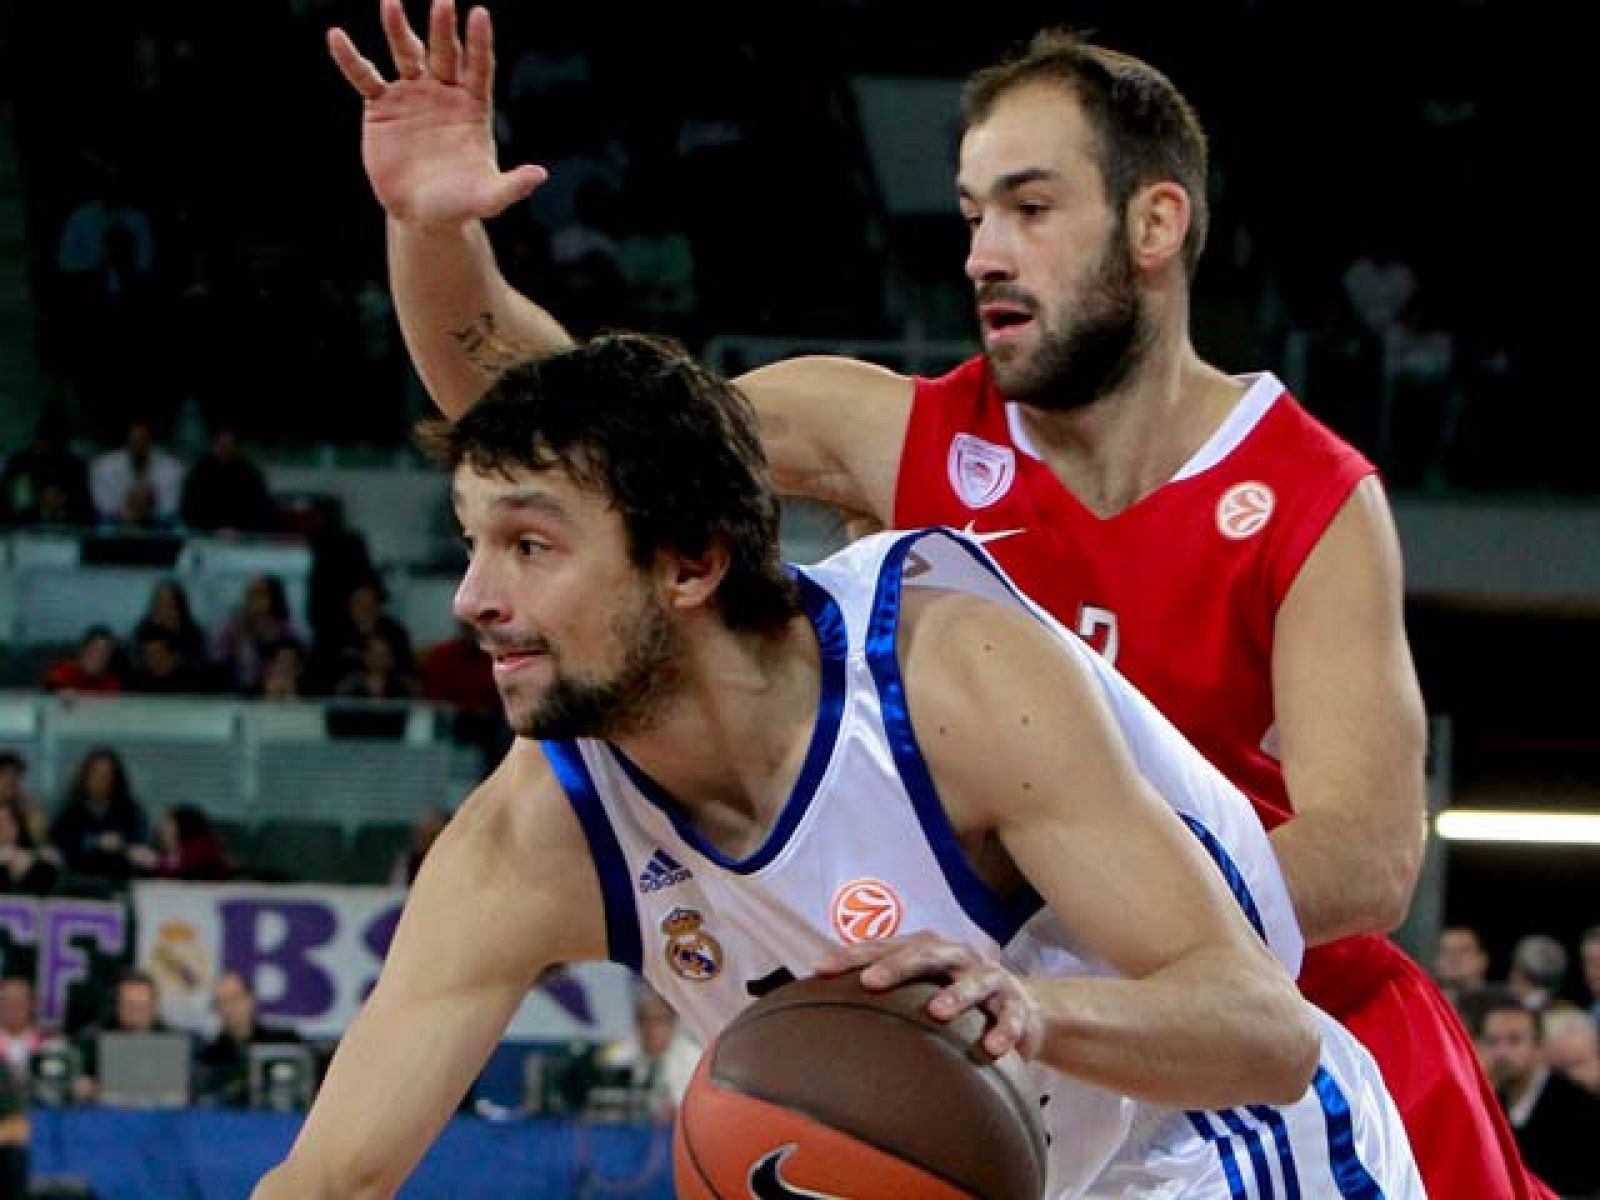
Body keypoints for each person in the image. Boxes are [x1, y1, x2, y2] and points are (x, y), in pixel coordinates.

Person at [329, 6, 1544, 1195]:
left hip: (1273, 1040)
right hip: (978, 1025)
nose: (981, 253)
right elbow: (597, 460)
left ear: (1154, 223)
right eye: (969, 215)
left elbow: (1369, 859)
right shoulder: (893, 428)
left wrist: (1071, 905)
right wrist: (437, 237)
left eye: (1028, 207)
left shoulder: (1306, 493)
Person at [252, 335, 1422, 1199]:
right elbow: (331, 1179)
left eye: (529, 546)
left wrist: (1026, 1011)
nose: (474, 601)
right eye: (473, 546)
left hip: (1220, 1151)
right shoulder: (534, 836)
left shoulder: (947, 677)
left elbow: (1263, 1034)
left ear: (692, 563)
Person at [1474, 994, 1600, 1197]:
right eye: (1492, 1041)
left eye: (1514, 1040)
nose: (1502, 1052)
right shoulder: (1487, 1104)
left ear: (1539, 1047)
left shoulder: (1578, 1109)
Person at [195, 972, 304, 1108]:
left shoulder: (285, 1042)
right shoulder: (210, 1056)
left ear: (250, 999)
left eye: (235, 998)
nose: (229, 1008)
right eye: (222, 1002)